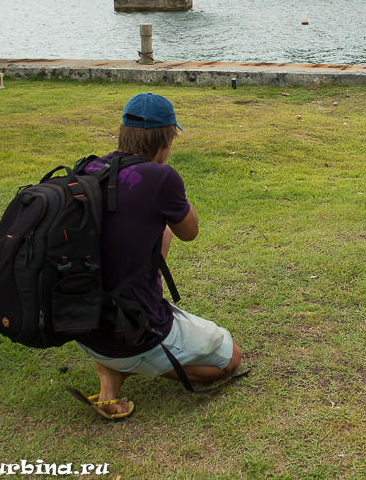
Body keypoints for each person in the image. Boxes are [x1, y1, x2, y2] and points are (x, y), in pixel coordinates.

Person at [73, 92, 241, 418]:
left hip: (83, 325)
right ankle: (141, 363)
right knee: (229, 359)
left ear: (123, 132)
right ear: (166, 138)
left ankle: (110, 381)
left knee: (158, 231)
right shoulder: (161, 177)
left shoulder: (89, 167)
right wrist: (168, 184)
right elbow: (190, 232)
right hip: (138, 331)